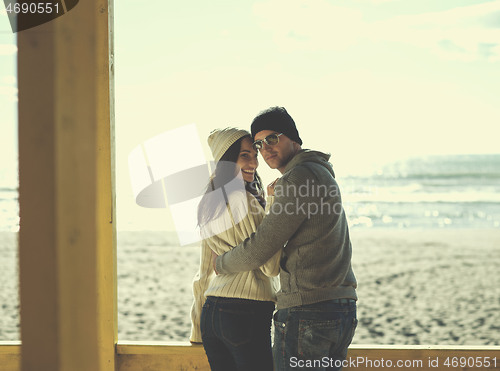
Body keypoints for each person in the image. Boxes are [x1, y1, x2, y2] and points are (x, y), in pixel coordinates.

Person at [215, 107, 358, 371]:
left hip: (309, 312)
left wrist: (221, 263)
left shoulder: (298, 179)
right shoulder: (320, 173)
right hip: (341, 309)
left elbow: (260, 248)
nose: (265, 149)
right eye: (259, 144)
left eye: (272, 139)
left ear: (294, 139)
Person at [190, 127, 281, 371]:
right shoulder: (244, 199)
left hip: (211, 314)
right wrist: (273, 204)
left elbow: (204, 269)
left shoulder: (207, 202)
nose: (254, 163)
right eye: (245, 156)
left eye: (254, 155)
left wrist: (198, 325)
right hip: (245, 311)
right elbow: (271, 267)